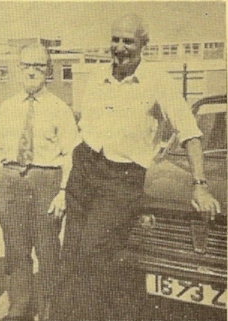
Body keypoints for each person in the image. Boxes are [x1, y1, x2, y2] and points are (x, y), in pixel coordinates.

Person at [50, 13, 221, 321]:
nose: (119, 47)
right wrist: (66, 184)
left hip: (122, 180)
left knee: (93, 256)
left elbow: (190, 133)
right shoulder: (97, 78)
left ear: (144, 44)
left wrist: (200, 184)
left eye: (128, 41)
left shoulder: (158, 81)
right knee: (70, 257)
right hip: (85, 171)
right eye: (115, 40)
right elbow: (82, 134)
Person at [0, 43, 80, 321]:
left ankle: (48, 309)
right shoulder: (7, 107)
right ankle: (20, 307)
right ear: (18, 69)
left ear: (49, 71)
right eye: (26, 65)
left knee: (47, 249)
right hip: (10, 180)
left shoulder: (60, 109)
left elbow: (71, 155)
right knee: (15, 250)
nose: (32, 71)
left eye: (38, 66)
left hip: (46, 181)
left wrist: (63, 192)